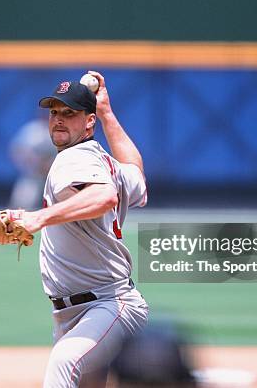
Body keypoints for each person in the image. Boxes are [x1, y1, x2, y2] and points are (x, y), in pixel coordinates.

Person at [18, 71, 149, 387]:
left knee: (63, 365)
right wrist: (107, 114)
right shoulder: (102, 161)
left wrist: (38, 218)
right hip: (87, 310)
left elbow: (104, 196)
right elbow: (137, 177)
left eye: (70, 113)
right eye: (54, 112)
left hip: (106, 305)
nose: (59, 120)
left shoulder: (72, 159)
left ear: (87, 122)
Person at [9, 112, 56, 210]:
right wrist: (35, 163)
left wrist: (50, 164)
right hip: (33, 177)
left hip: (54, 178)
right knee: (21, 206)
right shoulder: (32, 130)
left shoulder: (60, 131)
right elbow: (17, 151)